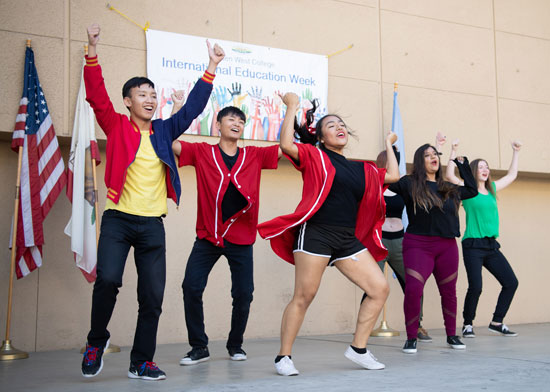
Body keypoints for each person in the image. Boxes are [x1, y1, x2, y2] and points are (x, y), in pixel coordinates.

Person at [80, 23, 224, 381]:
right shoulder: (115, 126)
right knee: (109, 279)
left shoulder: (163, 130)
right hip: (118, 219)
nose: (148, 98)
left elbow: (191, 109)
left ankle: (141, 360)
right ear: (128, 101)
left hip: (152, 224)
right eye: (141, 94)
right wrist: (92, 49)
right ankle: (96, 341)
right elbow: (96, 96)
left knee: (153, 297)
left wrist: (211, 67)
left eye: (152, 94)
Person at [258, 92, 400, 376]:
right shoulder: (314, 156)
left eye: (342, 124)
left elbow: (393, 177)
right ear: (321, 137)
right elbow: (286, 144)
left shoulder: (362, 169)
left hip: (346, 239)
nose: (339, 127)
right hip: (316, 233)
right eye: (331, 125)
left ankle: (358, 349)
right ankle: (283, 357)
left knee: (379, 288)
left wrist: (388, 146)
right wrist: (292, 107)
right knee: (305, 295)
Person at [172, 105, 280, 365]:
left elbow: (285, 147)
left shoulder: (253, 155)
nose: (237, 123)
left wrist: (291, 110)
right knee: (191, 287)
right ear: (217, 125)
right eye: (231, 119)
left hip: (242, 238)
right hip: (209, 236)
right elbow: (172, 142)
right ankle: (199, 346)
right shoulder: (202, 152)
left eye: (241, 121)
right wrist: (177, 108)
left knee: (244, 293)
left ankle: (236, 345)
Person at [388, 143, 477, 354]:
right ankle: (411, 337)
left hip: (446, 246)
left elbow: (472, 190)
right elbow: (389, 181)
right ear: (421, 161)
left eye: (435, 154)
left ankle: (451, 335)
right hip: (418, 244)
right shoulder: (409, 184)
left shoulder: (449, 188)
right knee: (413, 290)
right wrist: (394, 150)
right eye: (427, 155)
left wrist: (461, 164)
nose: (433, 157)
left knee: (449, 292)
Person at [446, 139, 521, 338]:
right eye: (480, 167)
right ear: (473, 171)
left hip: (491, 246)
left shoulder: (493, 189)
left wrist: (516, 152)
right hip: (473, 245)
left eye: (487, 167)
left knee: (511, 282)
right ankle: (467, 324)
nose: (485, 170)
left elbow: (512, 175)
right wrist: (453, 152)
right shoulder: (467, 190)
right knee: (476, 287)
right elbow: (449, 175)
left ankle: (497, 321)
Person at [361, 146, 432, 342]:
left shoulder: (402, 186)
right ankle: (363, 329)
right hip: (379, 241)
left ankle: (417, 326)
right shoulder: (375, 184)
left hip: (401, 240)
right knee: (373, 286)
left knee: (414, 284)